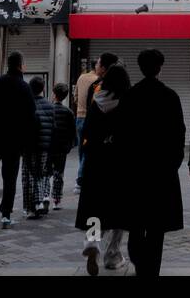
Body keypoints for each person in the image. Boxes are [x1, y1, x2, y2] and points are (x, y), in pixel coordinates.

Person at [119, 49, 186, 277]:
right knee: (157, 228)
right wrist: (173, 163)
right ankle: (152, 270)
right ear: (159, 68)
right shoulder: (170, 96)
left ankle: (139, 264)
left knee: (136, 223)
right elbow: (179, 134)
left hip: (135, 171)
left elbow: (121, 134)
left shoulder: (129, 96)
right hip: (162, 171)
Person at [76, 63, 130, 274]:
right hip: (120, 162)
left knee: (94, 204)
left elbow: (87, 131)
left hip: (96, 161)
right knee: (119, 207)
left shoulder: (96, 100)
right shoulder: (128, 102)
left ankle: (92, 242)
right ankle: (113, 255)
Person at [0, 52, 35, 228]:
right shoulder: (24, 87)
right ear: (20, 65)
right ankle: (6, 213)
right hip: (14, 139)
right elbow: (30, 114)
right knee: (9, 176)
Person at [73, 53, 113, 193]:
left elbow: (76, 97)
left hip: (79, 116)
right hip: (91, 119)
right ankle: (81, 178)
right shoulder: (98, 82)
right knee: (89, 150)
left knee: (82, 149)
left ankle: (82, 175)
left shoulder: (81, 78)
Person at [19, 77, 55, 218]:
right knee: (40, 173)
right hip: (45, 146)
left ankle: (31, 207)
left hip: (29, 146)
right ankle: (39, 202)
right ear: (43, 88)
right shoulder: (50, 106)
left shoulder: (26, 105)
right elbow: (54, 128)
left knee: (28, 176)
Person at [48, 82, 76, 209]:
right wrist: (69, 146)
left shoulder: (49, 109)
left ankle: (45, 196)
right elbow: (72, 133)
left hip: (49, 146)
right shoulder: (69, 112)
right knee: (59, 174)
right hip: (61, 148)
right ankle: (57, 200)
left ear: (54, 94)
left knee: (46, 172)